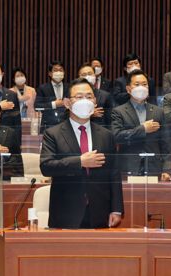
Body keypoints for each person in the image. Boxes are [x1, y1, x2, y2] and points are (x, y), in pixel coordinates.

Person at [39, 78, 123, 229]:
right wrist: (80, 162)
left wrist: (116, 209)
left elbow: (114, 174)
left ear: (95, 101)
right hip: (65, 211)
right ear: (67, 103)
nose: (85, 101)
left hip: (100, 211)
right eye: (79, 97)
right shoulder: (53, 134)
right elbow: (46, 166)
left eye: (89, 96)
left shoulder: (106, 135)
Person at [111, 70, 171, 180]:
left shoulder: (158, 111)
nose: (141, 87)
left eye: (144, 84)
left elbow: (165, 143)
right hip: (128, 167)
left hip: (154, 167)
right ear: (128, 89)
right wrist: (142, 129)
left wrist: (167, 169)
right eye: (137, 84)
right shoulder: (118, 111)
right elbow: (117, 136)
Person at [35, 60, 69, 131]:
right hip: (48, 125)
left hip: (67, 125)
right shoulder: (43, 88)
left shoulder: (70, 87)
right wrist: (54, 104)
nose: (58, 72)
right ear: (50, 73)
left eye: (60, 70)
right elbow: (37, 106)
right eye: (55, 70)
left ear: (64, 72)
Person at [78, 62, 113, 128]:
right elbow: (67, 115)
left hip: (99, 131)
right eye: (84, 74)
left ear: (95, 75)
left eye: (90, 74)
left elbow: (109, 120)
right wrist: (89, 114)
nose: (87, 76)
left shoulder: (105, 96)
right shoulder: (73, 95)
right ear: (79, 77)